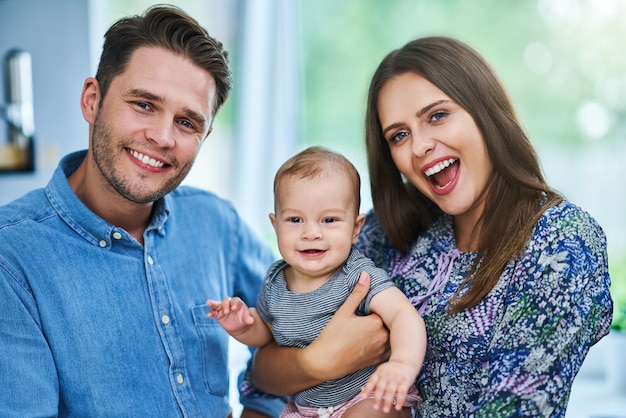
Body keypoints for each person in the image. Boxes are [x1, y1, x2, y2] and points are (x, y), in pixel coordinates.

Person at [243, 36, 614, 417]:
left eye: (437, 115)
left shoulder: (562, 241)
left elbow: (518, 407)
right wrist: (318, 362)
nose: (419, 146)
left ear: (485, 112)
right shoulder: (378, 234)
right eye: (399, 135)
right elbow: (261, 376)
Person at [0, 5, 285, 418]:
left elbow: (301, 318)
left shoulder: (215, 223)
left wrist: (261, 409)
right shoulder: (12, 257)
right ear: (92, 100)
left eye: (188, 123)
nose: (162, 137)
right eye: (145, 105)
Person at [207, 146, 426, 417]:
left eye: (329, 220)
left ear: (356, 228)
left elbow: (404, 316)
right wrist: (243, 325)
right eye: (295, 219)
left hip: (367, 395)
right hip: (306, 410)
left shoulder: (358, 275)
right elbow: (267, 332)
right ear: (275, 226)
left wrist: (403, 364)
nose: (311, 233)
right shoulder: (275, 281)